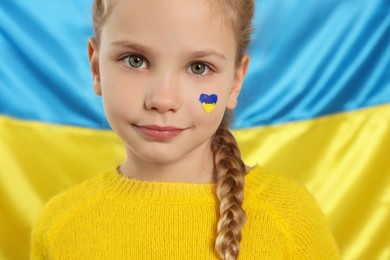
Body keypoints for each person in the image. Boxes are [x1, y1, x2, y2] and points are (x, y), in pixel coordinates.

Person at [30, 0, 339, 259]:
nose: (163, 100)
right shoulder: (59, 225)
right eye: (135, 60)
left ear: (235, 81)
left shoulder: (289, 220)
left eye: (198, 67)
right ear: (96, 67)